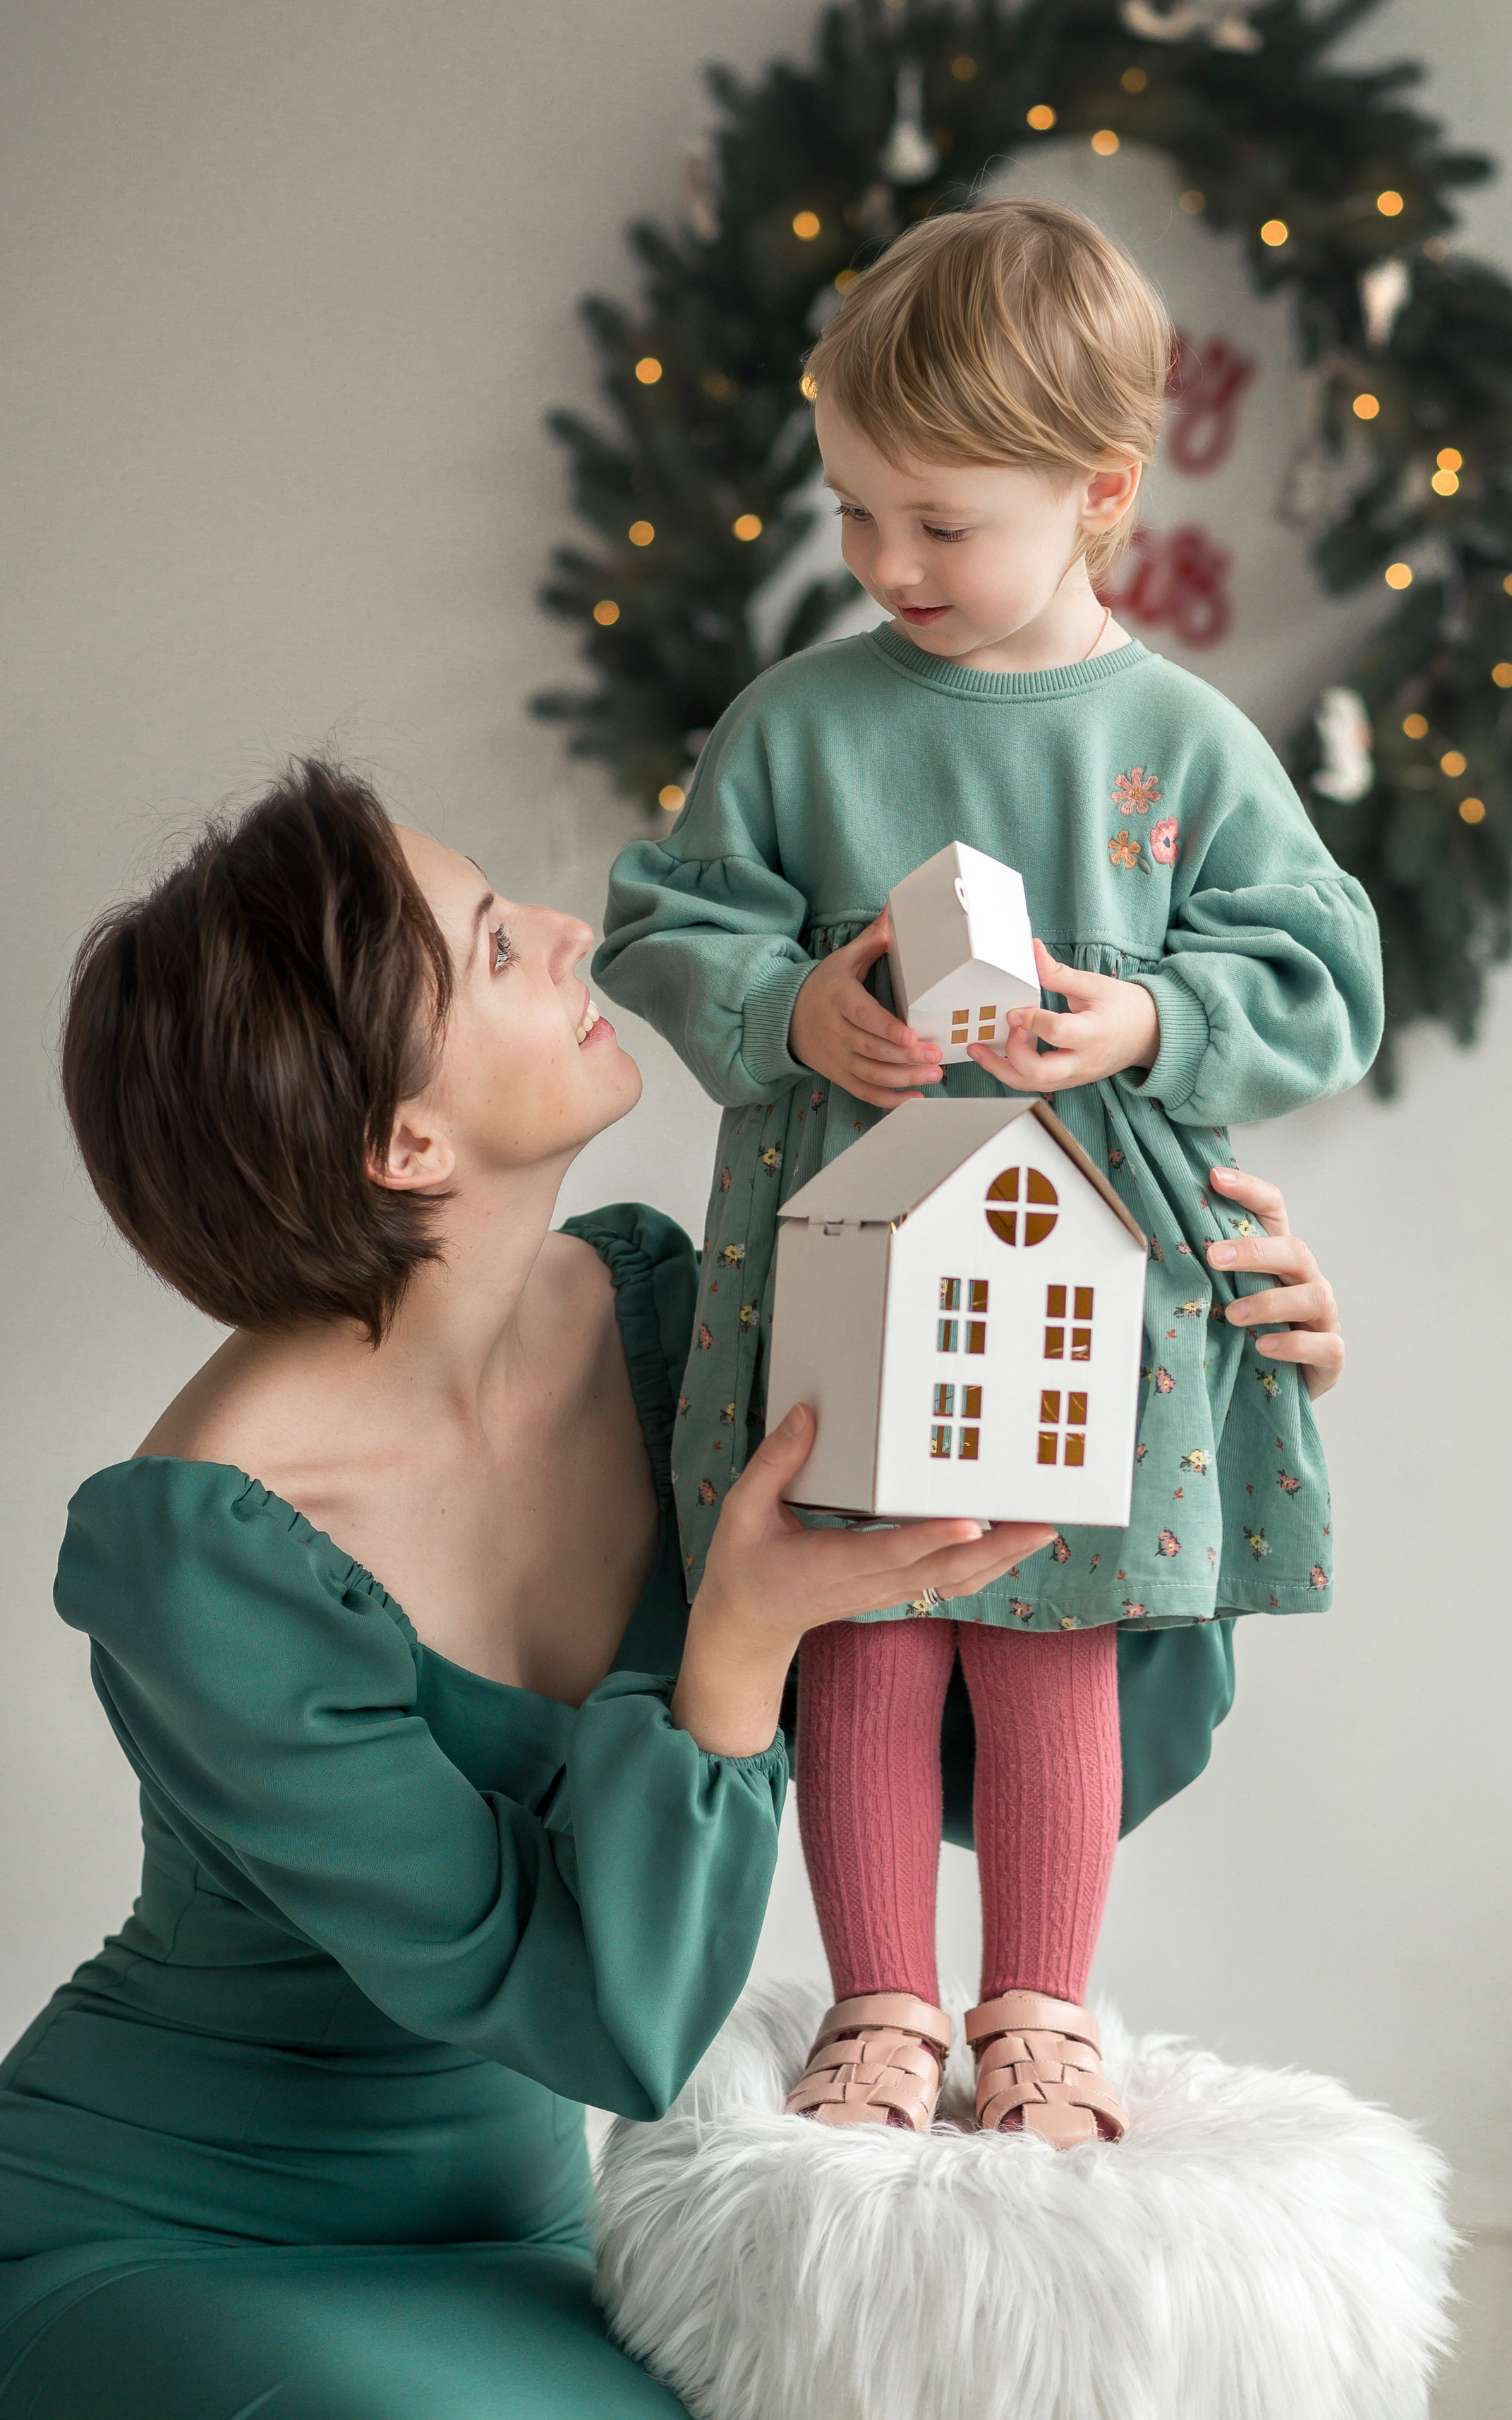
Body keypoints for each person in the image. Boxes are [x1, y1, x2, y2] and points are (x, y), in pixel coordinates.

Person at [0, 759, 1055, 2417]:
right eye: (497, 946)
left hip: (512, 2232)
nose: (575, 934)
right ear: (400, 1136)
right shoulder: (205, 1543)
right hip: (163, 2230)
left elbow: (975, 1735)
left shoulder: (658, 1321)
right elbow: (600, 2019)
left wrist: (1208, 1372)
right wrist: (735, 1638)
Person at [594, 198, 1384, 2144]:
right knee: (862, 1613)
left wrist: (1142, 1025)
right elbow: (661, 926)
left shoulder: (1181, 748)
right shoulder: (799, 721)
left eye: (941, 524)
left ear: (1101, 493)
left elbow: (1317, 972)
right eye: (856, 512)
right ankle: (883, 2007)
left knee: (1051, 1623)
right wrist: (794, 1016)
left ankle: (1041, 2006)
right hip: (844, 1278)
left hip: (1084, 1289)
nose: (885, 563)